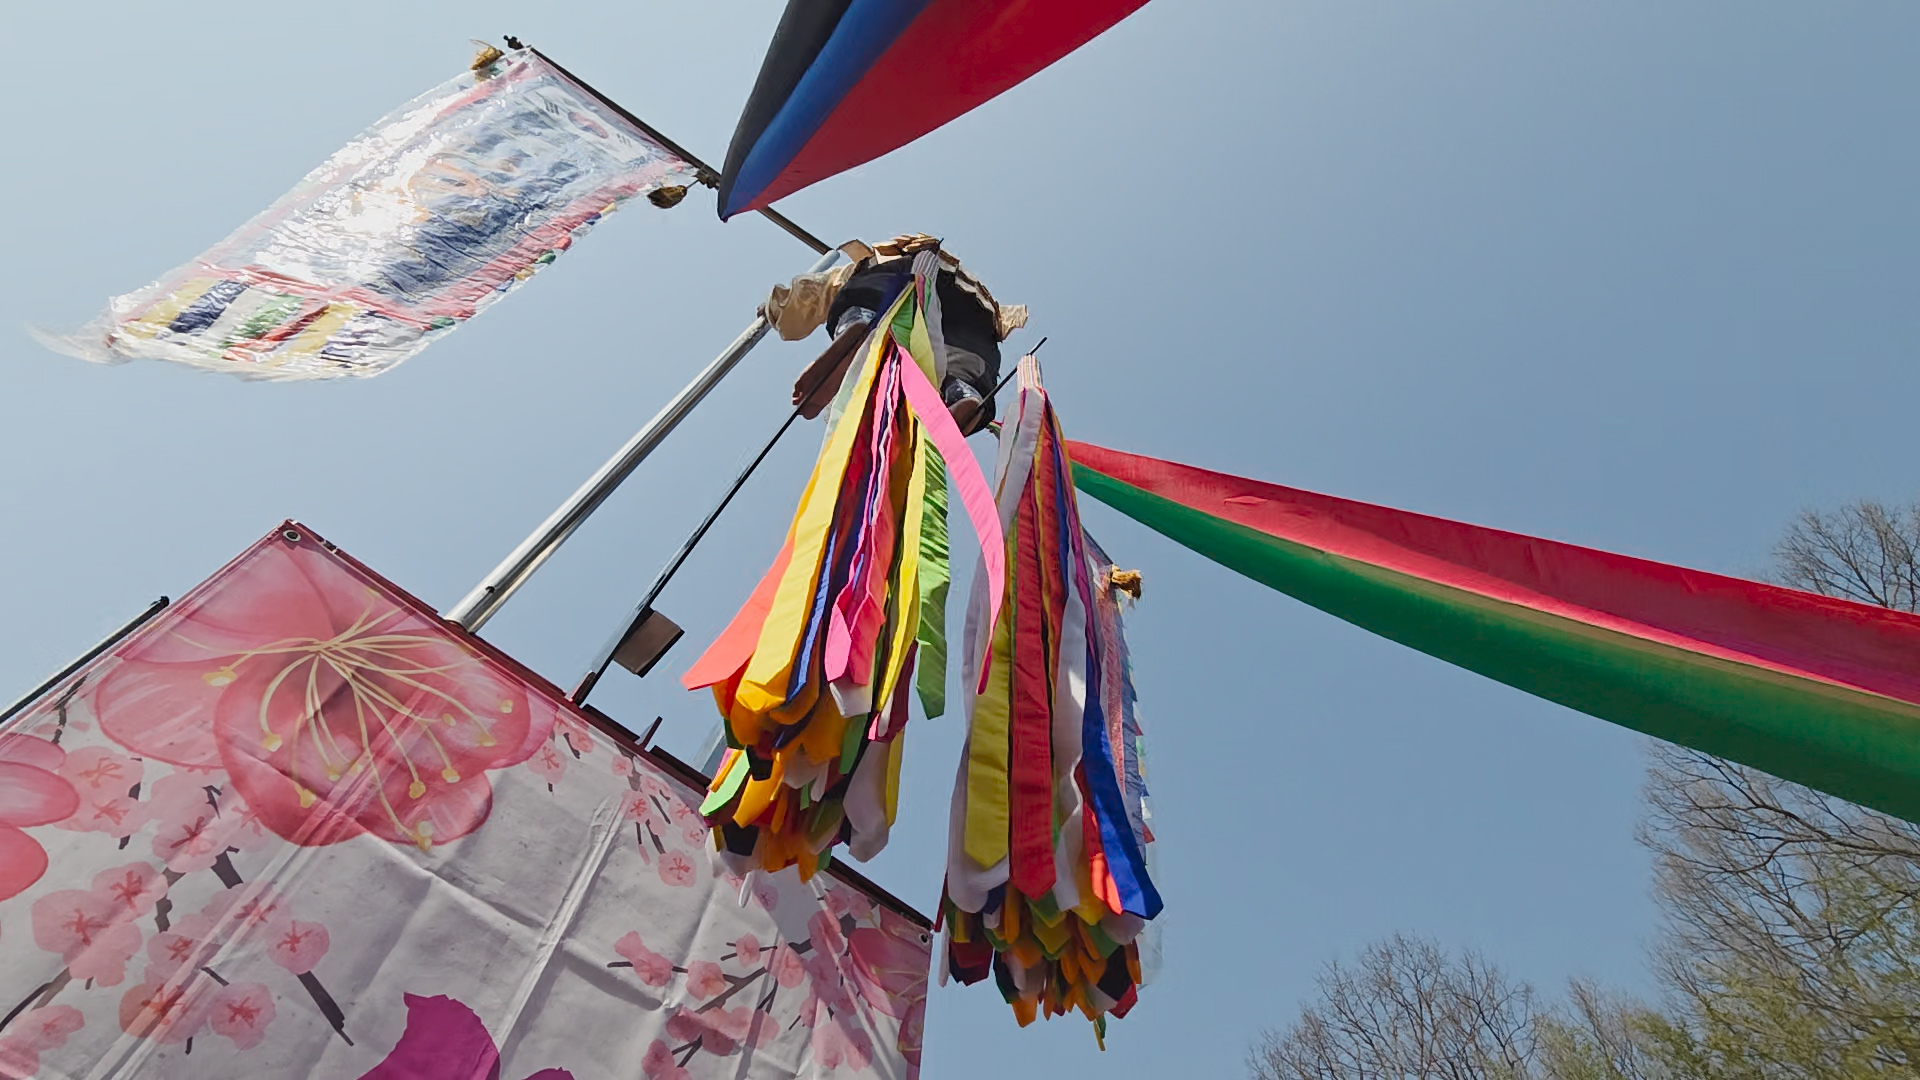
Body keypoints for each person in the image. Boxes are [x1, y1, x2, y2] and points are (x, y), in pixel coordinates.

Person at [761, 235, 1027, 435]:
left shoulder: (875, 258)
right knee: (967, 365)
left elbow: (808, 295)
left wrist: (773, 309)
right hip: (980, 314)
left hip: (906, 271)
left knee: (861, 297)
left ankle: (860, 323)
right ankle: (964, 393)